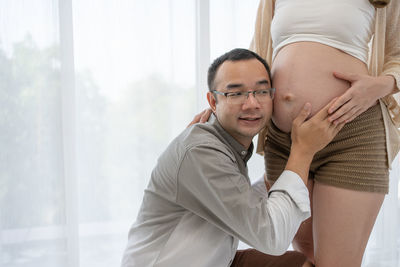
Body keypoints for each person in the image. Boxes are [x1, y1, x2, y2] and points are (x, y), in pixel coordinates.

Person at [120, 48, 345, 267]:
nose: (252, 104)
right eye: (235, 93)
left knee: (298, 263)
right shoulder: (200, 151)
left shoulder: (227, 145)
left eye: (261, 91)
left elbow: (240, 201)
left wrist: (285, 172)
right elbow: (271, 238)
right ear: (213, 102)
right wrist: (303, 151)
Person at [249, 0, 400, 266]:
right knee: (307, 258)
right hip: (285, 141)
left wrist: (379, 85)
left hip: (351, 137)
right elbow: (258, 52)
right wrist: (218, 118)